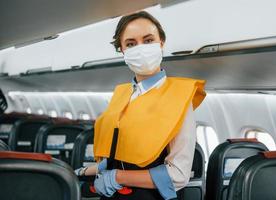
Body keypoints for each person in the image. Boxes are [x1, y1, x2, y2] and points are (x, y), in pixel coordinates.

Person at [75, 10, 206, 200]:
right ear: (122, 51)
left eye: (148, 40)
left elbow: (178, 174)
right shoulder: (122, 94)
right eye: (130, 44)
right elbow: (124, 154)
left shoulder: (179, 98)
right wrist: (92, 169)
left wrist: (117, 176)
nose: (141, 48)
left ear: (161, 43)